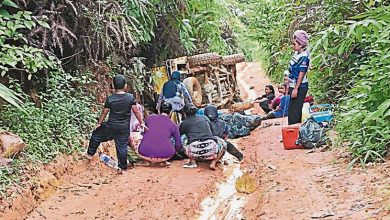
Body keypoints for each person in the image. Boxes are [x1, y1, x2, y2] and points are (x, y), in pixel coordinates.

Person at [84, 74, 146, 170]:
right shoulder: (130, 97)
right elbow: (136, 111)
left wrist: (99, 124)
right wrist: (141, 122)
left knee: (96, 135)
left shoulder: (111, 98)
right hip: (123, 128)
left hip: (111, 126)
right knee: (122, 147)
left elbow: (104, 112)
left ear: (113, 86)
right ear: (125, 86)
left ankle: (89, 154)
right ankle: (122, 166)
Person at [131, 101, 182, 166]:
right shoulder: (173, 125)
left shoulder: (150, 118)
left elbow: (145, 133)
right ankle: (163, 161)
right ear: (171, 112)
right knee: (171, 139)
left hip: (144, 153)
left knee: (135, 135)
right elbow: (178, 145)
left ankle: (147, 161)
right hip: (166, 155)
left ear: (159, 110)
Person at [180, 103, 226, 170]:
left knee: (183, 137)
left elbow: (180, 134)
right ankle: (214, 162)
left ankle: (192, 162)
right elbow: (212, 132)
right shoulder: (204, 118)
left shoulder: (183, 123)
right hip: (211, 148)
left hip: (194, 150)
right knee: (223, 143)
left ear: (184, 112)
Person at [286, 30, 310, 125]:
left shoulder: (304, 57)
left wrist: (296, 88)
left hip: (300, 87)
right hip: (293, 84)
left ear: (300, 45)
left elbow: (301, 73)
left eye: (294, 44)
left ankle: (294, 132)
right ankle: (291, 132)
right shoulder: (296, 55)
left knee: (295, 111)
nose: (293, 45)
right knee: (292, 110)